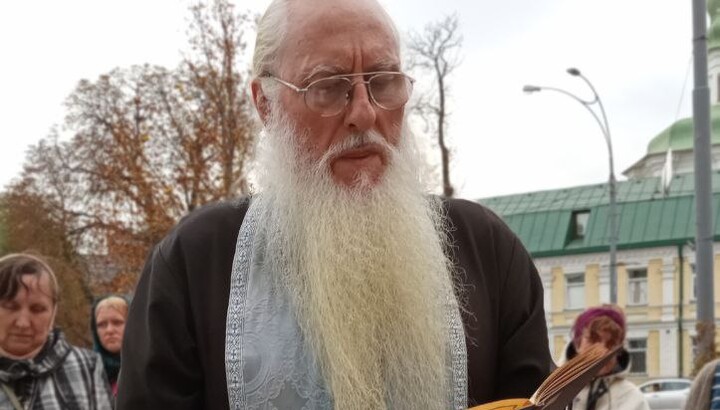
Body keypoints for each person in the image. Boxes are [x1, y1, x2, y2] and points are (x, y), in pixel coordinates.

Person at [117, 0, 553, 408]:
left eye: (383, 81)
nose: (364, 113)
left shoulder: (487, 251)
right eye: (328, 87)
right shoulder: (194, 263)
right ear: (264, 103)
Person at [0, 253, 113, 409]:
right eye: (11, 307)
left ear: (53, 313)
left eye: (37, 309)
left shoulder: (86, 366)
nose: (23, 323)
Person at [562, 305, 649, 410]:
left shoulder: (632, 399)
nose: (603, 352)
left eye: (611, 343)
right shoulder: (550, 391)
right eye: (593, 339)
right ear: (577, 342)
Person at [91, 295, 128, 396]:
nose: (109, 330)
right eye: (102, 325)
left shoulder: (151, 367)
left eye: (117, 322)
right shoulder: (89, 373)